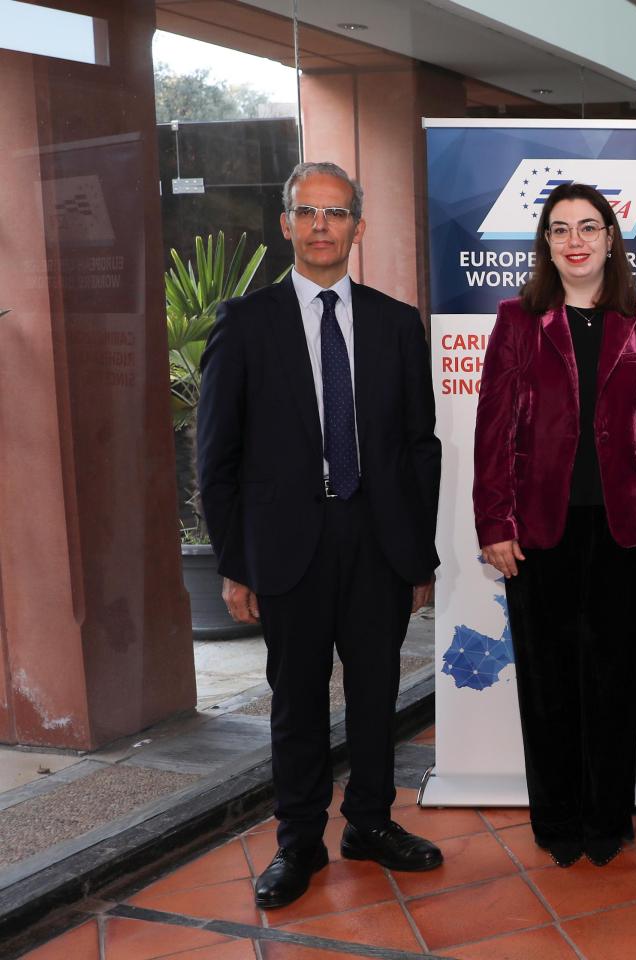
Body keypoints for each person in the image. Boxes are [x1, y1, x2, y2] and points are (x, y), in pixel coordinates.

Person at [198, 161, 443, 909]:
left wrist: (417, 553)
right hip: (287, 549)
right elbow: (217, 459)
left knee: (376, 697)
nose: (322, 226)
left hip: (376, 541)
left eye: (336, 214)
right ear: (286, 224)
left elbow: (418, 446)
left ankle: (370, 822)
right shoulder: (245, 324)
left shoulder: (397, 323)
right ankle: (298, 842)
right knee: (296, 701)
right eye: (308, 212)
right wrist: (236, 566)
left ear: (358, 227)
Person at [471, 182, 636, 869]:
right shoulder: (517, 319)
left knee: (615, 679)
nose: (576, 241)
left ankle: (607, 819)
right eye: (560, 230)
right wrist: (493, 521)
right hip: (536, 530)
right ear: (546, 245)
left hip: (625, 528)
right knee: (548, 679)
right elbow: (492, 431)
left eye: (588, 227)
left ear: (611, 238)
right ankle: (557, 819)